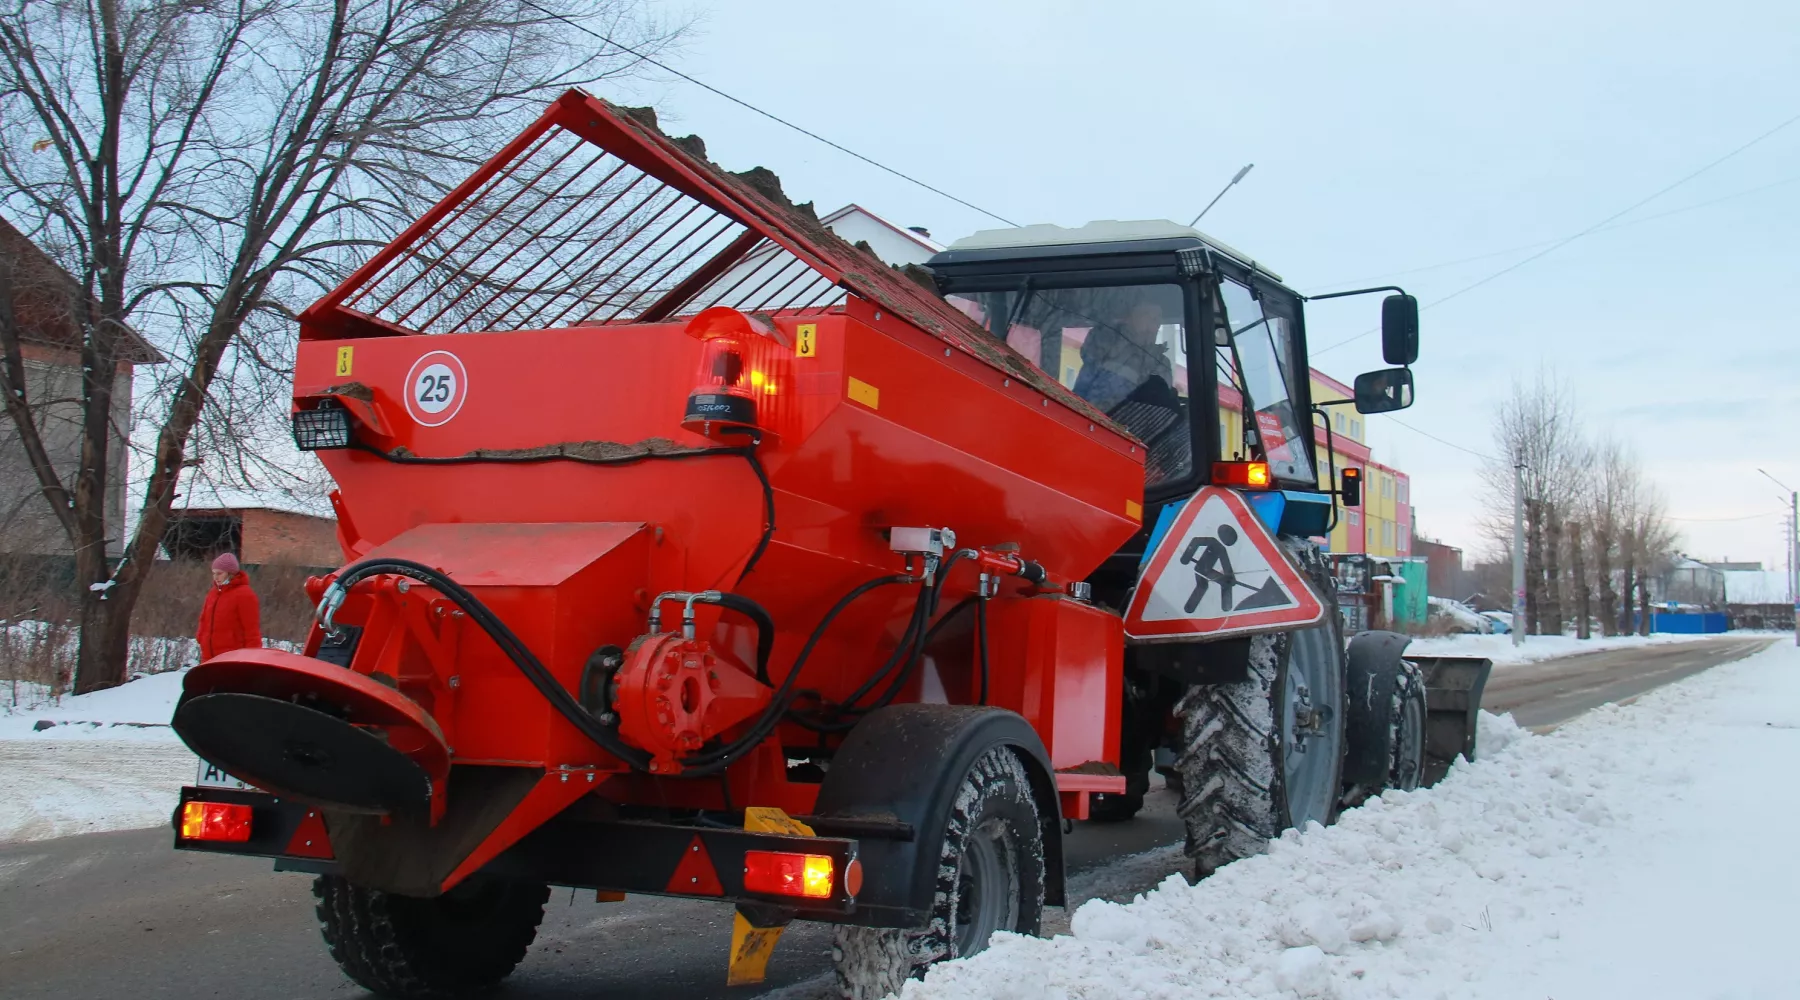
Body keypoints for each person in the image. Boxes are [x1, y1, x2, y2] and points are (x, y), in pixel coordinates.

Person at [1071, 297, 1177, 413]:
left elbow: (1161, 412)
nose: (1153, 324)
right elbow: (1082, 399)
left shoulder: (1162, 364)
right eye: (1146, 315)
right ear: (1128, 318)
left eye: (1157, 319)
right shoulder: (1105, 348)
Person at [197, 552, 262, 662]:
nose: (215, 577)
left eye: (219, 573)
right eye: (213, 573)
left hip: (232, 657)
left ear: (230, 573)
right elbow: (203, 619)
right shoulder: (213, 593)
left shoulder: (245, 595)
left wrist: (252, 657)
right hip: (208, 655)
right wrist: (201, 637)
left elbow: (251, 630)